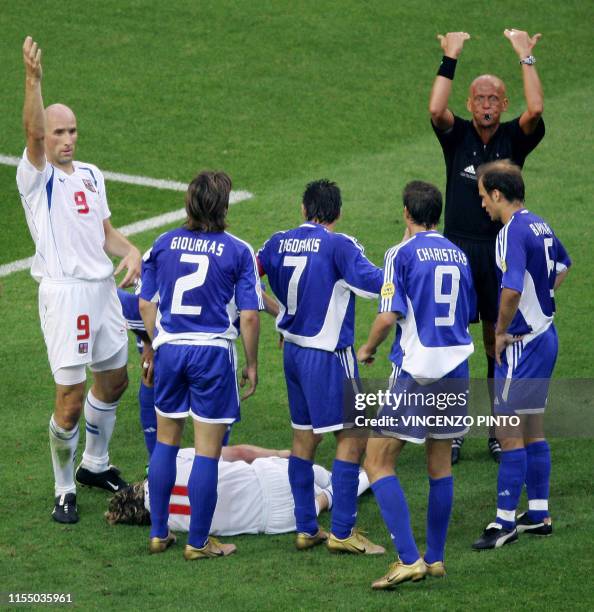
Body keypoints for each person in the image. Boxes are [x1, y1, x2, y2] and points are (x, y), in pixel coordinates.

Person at [16, 37, 142, 524]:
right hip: (66, 297)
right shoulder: (37, 179)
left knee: (114, 380)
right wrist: (33, 81)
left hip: (103, 291)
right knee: (68, 400)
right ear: (44, 138)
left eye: (72, 131)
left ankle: (94, 464)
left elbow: (105, 233)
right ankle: (63, 486)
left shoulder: (90, 173)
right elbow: (29, 133)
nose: (67, 139)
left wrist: (130, 249)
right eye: (58, 132)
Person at [429, 29, 545, 463]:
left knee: (498, 342)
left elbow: (536, 108)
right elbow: (435, 107)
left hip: (501, 252)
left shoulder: (514, 138)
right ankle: (454, 430)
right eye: (479, 98)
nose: (486, 105)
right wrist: (449, 58)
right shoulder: (455, 135)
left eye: (494, 98)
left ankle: (499, 429)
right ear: (471, 103)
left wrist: (525, 57)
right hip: (458, 251)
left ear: (504, 102)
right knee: (455, 342)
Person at [139, 170, 263, 560]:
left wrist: (156, 344)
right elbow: (250, 315)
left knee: (166, 442)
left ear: (188, 204)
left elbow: (145, 302)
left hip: (171, 350)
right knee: (207, 452)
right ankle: (197, 542)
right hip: (211, 353)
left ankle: (159, 533)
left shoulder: (162, 243)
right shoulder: (238, 250)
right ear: (223, 207)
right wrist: (252, 362)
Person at [357, 181, 475, 589]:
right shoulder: (458, 254)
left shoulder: (399, 254)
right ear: (437, 215)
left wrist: (367, 348)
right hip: (457, 368)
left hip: (416, 371)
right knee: (439, 465)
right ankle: (436, 558)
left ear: (407, 213)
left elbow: (389, 315)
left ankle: (409, 558)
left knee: (376, 461)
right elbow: (468, 311)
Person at [257, 179, 385, 554]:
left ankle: (305, 527)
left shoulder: (277, 241)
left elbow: (245, 277)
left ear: (303, 208)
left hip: (293, 354)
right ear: (338, 213)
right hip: (329, 356)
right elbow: (378, 283)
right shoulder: (339, 245)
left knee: (303, 438)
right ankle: (343, 532)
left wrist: (277, 312)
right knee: (354, 436)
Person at [471, 162, 570, 550]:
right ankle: (539, 514)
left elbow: (510, 291)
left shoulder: (511, 232)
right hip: (547, 337)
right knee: (532, 428)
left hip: (523, 345)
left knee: (510, 433)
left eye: (483, 196)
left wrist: (500, 331)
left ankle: (504, 522)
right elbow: (562, 266)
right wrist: (542, 300)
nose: (482, 205)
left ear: (497, 193)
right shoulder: (540, 224)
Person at [105, 445, 371, 534]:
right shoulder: (171, 462)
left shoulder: (172, 526)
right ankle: (369, 465)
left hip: (274, 521)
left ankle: (359, 481)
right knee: (320, 473)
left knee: (325, 497)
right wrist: (280, 453)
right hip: (270, 476)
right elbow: (240, 453)